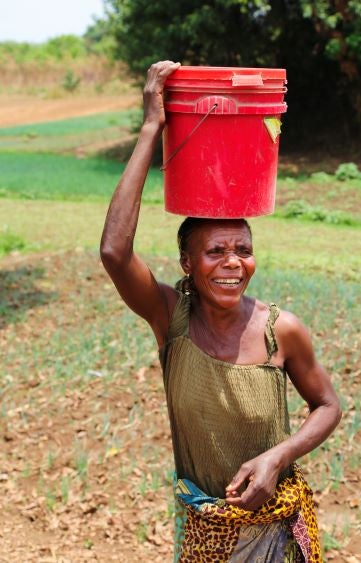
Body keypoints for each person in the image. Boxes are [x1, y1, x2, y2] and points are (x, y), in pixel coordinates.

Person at [100, 60, 342, 563]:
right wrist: (152, 128)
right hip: (204, 528)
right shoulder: (173, 318)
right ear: (187, 263)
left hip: (276, 532)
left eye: (243, 249)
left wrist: (279, 457)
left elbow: (328, 406)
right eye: (215, 252)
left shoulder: (282, 331)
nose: (233, 263)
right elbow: (114, 253)